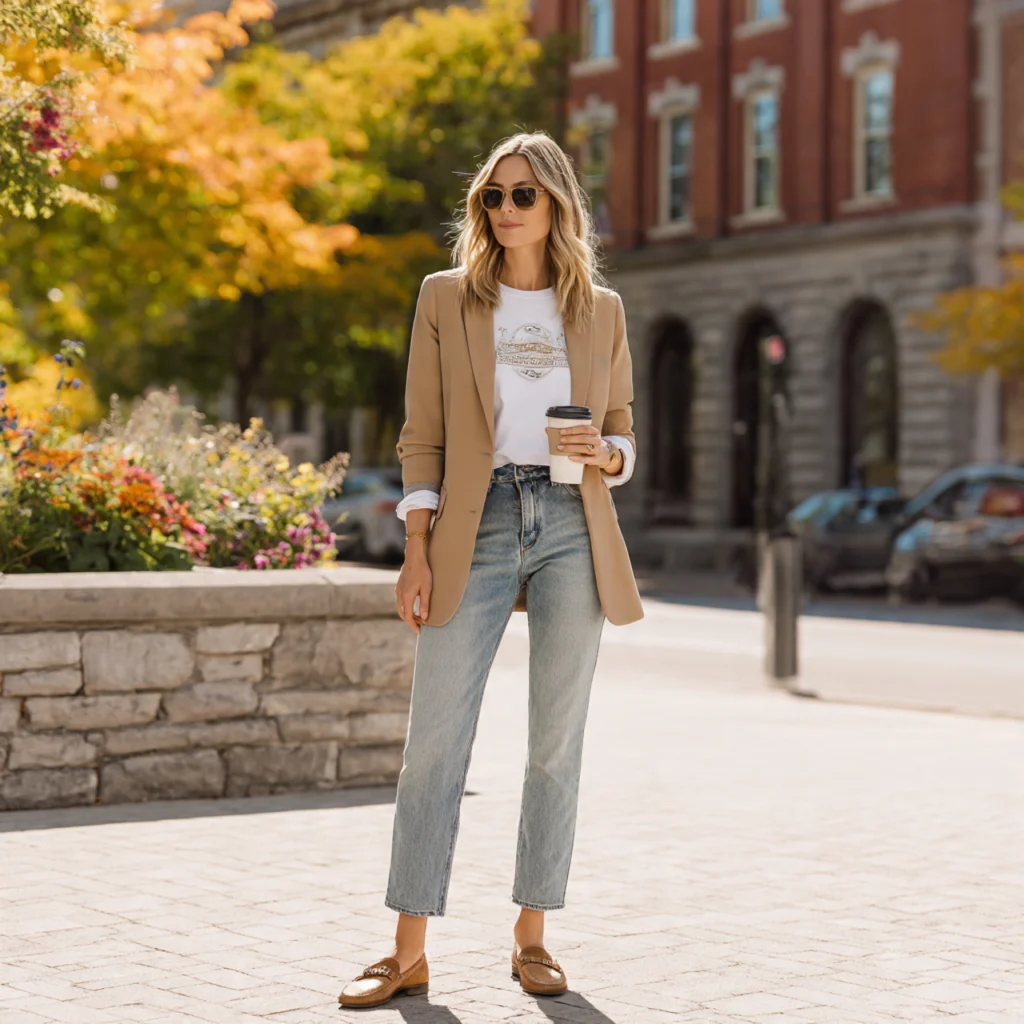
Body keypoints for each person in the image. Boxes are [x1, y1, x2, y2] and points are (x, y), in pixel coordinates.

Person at [338, 131, 644, 1009]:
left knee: (555, 741)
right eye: (492, 197)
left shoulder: (601, 310)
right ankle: (407, 948)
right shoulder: (446, 299)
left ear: (556, 206)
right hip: (476, 519)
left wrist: (607, 451)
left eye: (522, 196)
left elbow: (622, 428)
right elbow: (421, 434)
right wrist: (417, 546)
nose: (504, 211)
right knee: (433, 741)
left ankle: (533, 933)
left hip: (570, 524)